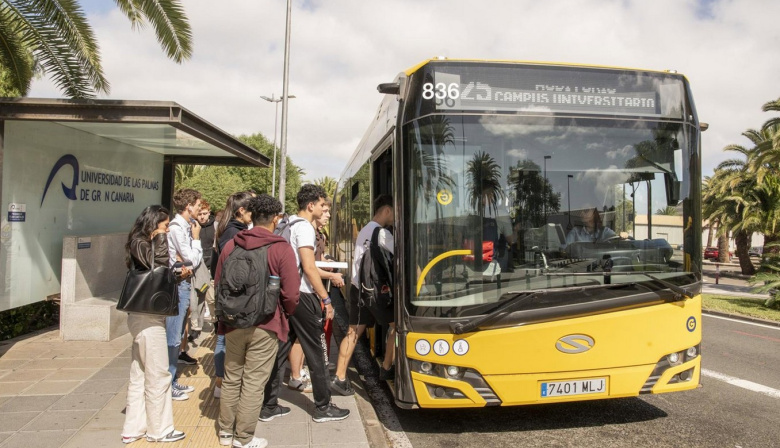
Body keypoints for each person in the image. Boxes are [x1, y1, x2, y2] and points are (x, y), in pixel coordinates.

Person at [215, 195, 300, 448]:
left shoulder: (232, 245)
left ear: (251, 215)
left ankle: (225, 432)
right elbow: (291, 294)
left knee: (232, 377)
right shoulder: (281, 248)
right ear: (276, 219)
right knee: (253, 381)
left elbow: (219, 282)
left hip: (233, 322)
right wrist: (286, 313)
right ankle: (243, 437)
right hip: (266, 322)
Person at [283, 184, 350, 421]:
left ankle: (267, 403)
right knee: (318, 353)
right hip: (304, 295)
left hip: (289, 294)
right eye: (322, 205)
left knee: (281, 349)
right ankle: (323, 407)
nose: (325, 210)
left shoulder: (289, 223)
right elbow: (309, 268)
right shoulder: (304, 228)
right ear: (311, 205)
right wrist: (326, 299)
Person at [122, 205, 186, 444]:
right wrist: (160, 237)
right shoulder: (139, 242)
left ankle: (134, 427)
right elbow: (157, 263)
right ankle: (160, 429)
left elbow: (157, 270)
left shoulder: (140, 243)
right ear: (153, 224)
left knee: (140, 373)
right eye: (165, 225)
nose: (168, 230)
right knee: (158, 374)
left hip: (144, 314)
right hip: (147, 317)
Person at [331, 195, 395, 396]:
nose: (395, 217)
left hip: (358, 289)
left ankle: (339, 377)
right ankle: (387, 367)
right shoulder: (382, 234)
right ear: (386, 210)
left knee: (352, 333)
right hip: (375, 292)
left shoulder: (365, 230)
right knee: (398, 327)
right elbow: (401, 256)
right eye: (394, 212)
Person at [213, 191, 254, 399]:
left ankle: (222, 381)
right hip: (230, 293)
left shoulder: (232, 228)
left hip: (227, 291)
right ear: (241, 211)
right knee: (223, 338)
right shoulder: (232, 232)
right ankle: (220, 382)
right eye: (252, 209)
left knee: (224, 336)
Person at [166, 189, 203, 401]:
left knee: (178, 333)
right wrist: (196, 239)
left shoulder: (185, 227)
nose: (199, 209)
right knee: (173, 336)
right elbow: (191, 260)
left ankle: (172, 380)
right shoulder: (177, 228)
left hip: (184, 283)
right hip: (178, 283)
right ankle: (168, 383)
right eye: (197, 205)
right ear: (188, 206)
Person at [189, 200, 216, 341]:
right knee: (197, 299)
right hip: (197, 267)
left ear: (209, 213)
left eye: (205, 213)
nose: (202, 217)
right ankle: (196, 327)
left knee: (210, 299)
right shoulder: (193, 226)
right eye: (200, 214)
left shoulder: (215, 226)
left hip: (210, 268)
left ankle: (215, 322)